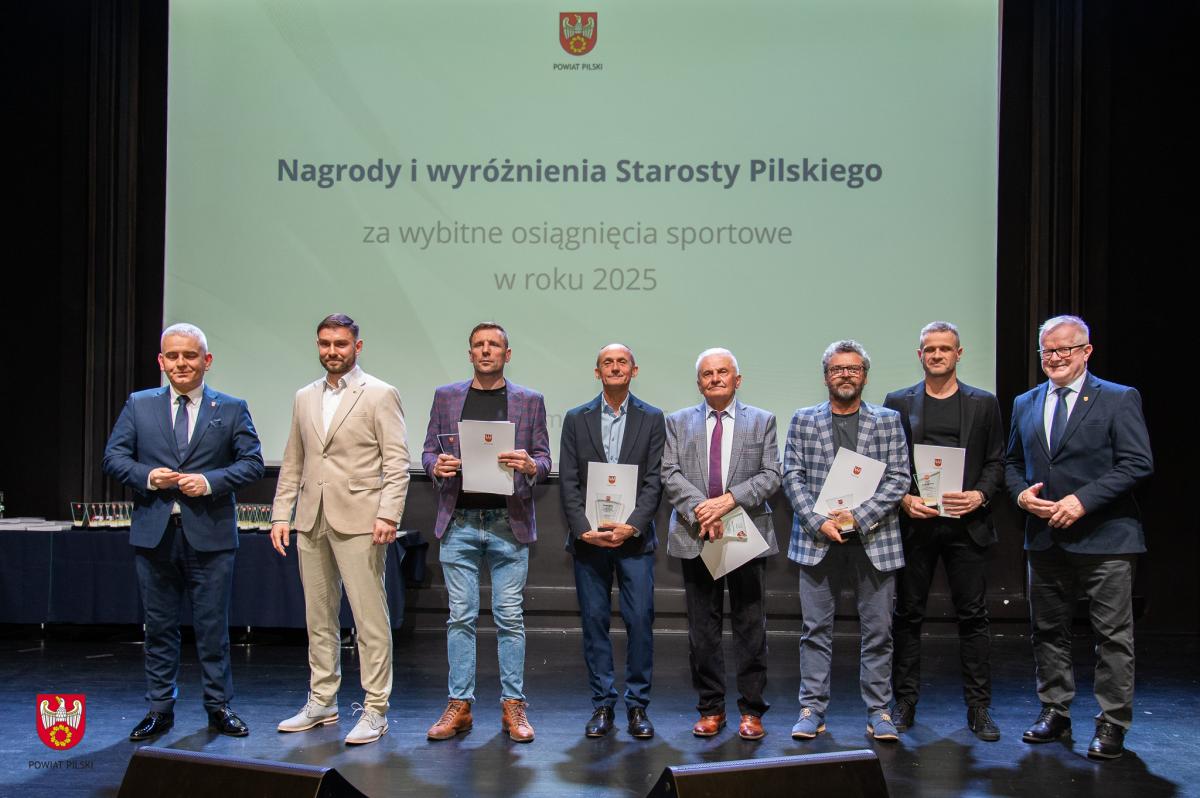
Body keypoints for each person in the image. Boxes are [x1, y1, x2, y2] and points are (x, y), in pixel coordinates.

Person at [102, 323, 264, 741]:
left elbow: (252, 463)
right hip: (155, 535)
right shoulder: (139, 405)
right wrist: (148, 476)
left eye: (189, 355)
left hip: (211, 536)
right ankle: (160, 708)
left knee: (212, 628)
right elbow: (114, 458)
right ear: (161, 361)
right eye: (172, 356)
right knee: (158, 627)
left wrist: (208, 482)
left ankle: (219, 706)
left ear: (206, 361)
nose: (181, 363)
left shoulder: (231, 408)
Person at [1005, 315, 1153, 760]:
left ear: (1087, 351)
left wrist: (1082, 501)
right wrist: (1021, 496)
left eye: (1065, 349)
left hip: (1106, 538)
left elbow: (1137, 462)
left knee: (1112, 636)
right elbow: (1012, 463)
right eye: (1047, 350)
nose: (1055, 358)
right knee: (1048, 631)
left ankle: (1112, 723)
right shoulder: (1026, 402)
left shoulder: (1118, 398)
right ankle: (1055, 710)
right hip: (1044, 537)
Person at [269, 314, 410, 745]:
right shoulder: (304, 396)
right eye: (325, 343)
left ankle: (375, 709)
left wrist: (388, 514)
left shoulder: (380, 393)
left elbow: (397, 462)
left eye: (341, 344)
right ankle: (322, 700)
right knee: (318, 617)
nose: (332, 351)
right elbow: (294, 459)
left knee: (369, 620)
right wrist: (281, 514)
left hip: (362, 520)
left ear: (357, 347)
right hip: (311, 518)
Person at [422, 322, 551, 743]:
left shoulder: (530, 401)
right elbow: (428, 451)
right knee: (460, 616)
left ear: (506, 354)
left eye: (493, 345)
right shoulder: (446, 397)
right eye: (478, 344)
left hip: (508, 523)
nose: (485, 350)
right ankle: (459, 705)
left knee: (509, 617)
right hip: (459, 520)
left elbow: (544, 459)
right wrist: (435, 465)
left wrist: (531, 465)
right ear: (470, 353)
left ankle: (513, 705)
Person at [782, 340, 908, 742]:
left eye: (853, 368)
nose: (845, 375)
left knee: (879, 633)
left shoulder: (888, 420)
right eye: (837, 369)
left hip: (874, 540)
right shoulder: (803, 420)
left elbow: (899, 478)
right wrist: (818, 521)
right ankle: (811, 709)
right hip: (818, 540)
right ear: (826, 377)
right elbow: (792, 476)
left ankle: (879, 711)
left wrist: (859, 517)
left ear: (865, 376)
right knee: (814, 631)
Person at [884, 321, 1005, 740]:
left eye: (945, 348)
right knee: (907, 615)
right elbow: (887, 461)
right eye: (930, 349)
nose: (937, 355)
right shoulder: (897, 402)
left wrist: (980, 496)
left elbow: (996, 460)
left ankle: (979, 708)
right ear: (920, 355)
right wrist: (903, 499)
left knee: (973, 617)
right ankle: (904, 702)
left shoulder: (983, 403)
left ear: (959, 353)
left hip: (966, 525)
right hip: (915, 524)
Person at [661, 348, 781, 741]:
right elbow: (669, 473)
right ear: (699, 383)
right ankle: (711, 709)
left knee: (750, 626)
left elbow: (771, 474)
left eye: (723, 372)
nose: (715, 378)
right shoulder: (677, 422)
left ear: (737, 379)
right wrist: (704, 510)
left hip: (745, 531)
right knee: (703, 629)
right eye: (707, 374)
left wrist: (727, 501)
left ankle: (751, 710)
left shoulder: (762, 420)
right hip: (696, 532)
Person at [559, 344, 665, 739]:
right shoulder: (576, 418)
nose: (615, 367)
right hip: (589, 540)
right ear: (597, 371)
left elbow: (654, 481)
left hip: (634, 540)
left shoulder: (653, 418)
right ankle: (603, 704)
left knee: (640, 621)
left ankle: (638, 707)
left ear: (634, 371)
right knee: (594, 622)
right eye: (608, 362)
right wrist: (583, 527)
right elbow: (568, 479)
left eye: (622, 362)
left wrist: (632, 526)